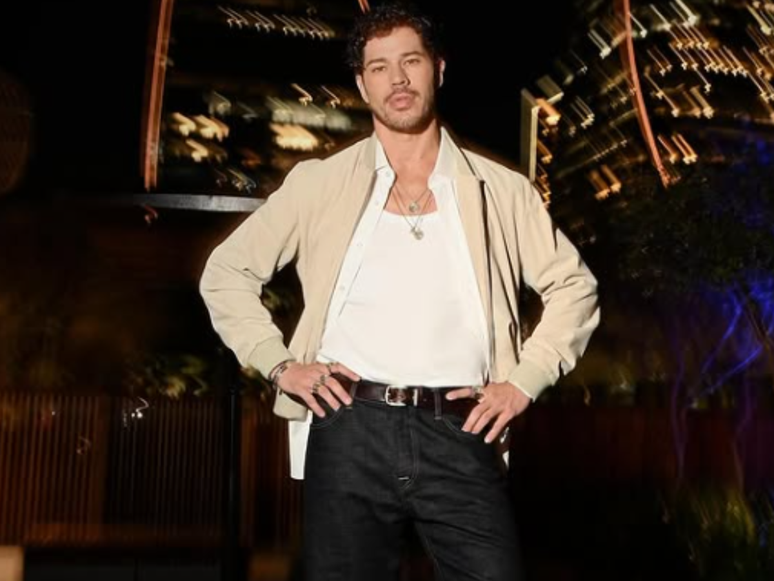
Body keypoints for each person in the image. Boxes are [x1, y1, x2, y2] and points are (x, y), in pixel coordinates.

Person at [199, 2, 599, 579]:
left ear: (438, 68)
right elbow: (226, 272)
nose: (398, 79)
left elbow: (575, 288)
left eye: (410, 61)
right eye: (380, 67)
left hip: (462, 425)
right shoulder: (319, 184)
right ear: (363, 85)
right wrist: (280, 365)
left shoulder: (501, 190)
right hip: (348, 424)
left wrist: (522, 383)